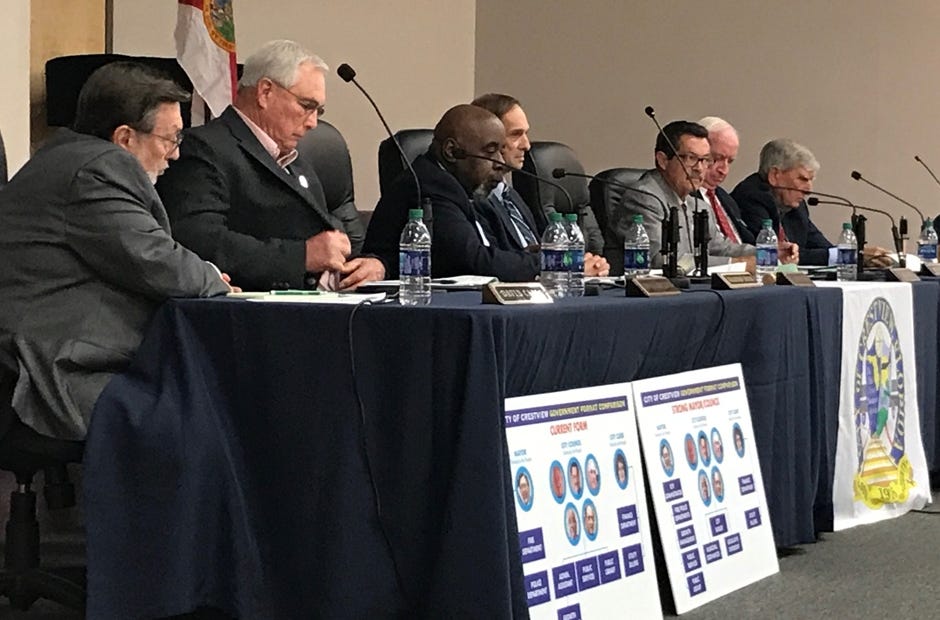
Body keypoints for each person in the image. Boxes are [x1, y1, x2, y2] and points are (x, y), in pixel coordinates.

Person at [0, 62, 232, 440]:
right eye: (171, 139)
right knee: (198, 421)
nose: (175, 155)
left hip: (58, 350)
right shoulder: (98, 169)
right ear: (125, 137)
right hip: (49, 367)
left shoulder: (67, 156)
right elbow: (155, 260)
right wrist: (212, 277)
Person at [157, 40, 384, 291]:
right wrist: (300, 257)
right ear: (265, 92)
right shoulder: (203, 149)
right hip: (250, 307)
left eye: (319, 111)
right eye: (306, 106)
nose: (313, 123)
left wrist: (370, 265)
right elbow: (198, 241)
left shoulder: (296, 162)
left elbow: (329, 242)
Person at [364, 104, 609, 281]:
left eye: (501, 151)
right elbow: (476, 262)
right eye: (491, 151)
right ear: (452, 151)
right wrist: (563, 263)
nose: (500, 162)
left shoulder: (460, 186)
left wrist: (534, 255)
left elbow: (493, 254)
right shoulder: (430, 186)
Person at [613, 121, 797, 272]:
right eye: (691, 158)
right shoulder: (644, 198)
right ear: (663, 160)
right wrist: (736, 265)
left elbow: (721, 248)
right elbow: (659, 260)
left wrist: (767, 253)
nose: (699, 168)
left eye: (706, 160)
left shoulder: (697, 205)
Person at [470, 93, 609, 275]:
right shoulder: (476, 199)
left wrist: (577, 262)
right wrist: (564, 265)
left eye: (526, 134)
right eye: (515, 134)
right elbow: (497, 261)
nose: (526, 145)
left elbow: (529, 250)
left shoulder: (511, 196)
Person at [731, 138, 891, 266]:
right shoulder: (751, 198)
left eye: (810, 180)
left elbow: (822, 247)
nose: (808, 190)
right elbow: (776, 253)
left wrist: (857, 257)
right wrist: (849, 256)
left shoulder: (795, 204)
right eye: (802, 179)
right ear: (775, 175)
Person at [697, 117, 755, 244]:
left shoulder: (726, 198)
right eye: (717, 158)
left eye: (730, 161)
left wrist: (771, 250)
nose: (724, 170)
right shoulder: (685, 197)